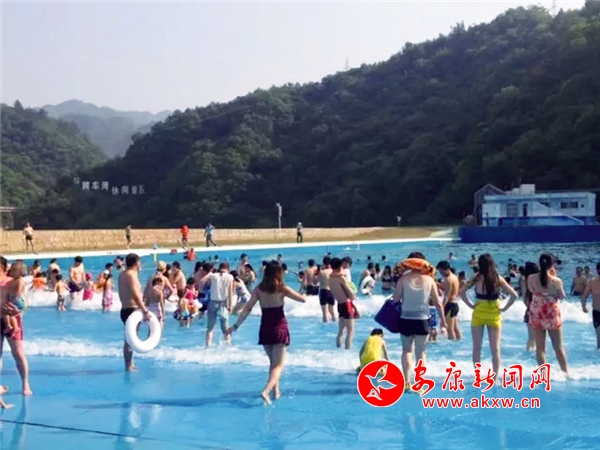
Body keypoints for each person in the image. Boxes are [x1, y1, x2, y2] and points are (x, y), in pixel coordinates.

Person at [226, 261, 306, 405]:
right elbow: (303, 300)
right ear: (279, 273)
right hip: (280, 328)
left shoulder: (258, 289)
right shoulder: (283, 289)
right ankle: (266, 391)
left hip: (265, 328)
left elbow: (247, 308)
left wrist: (235, 326)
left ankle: (276, 391)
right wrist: (303, 286)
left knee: (273, 363)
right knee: (278, 366)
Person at [459, 254, 518, 380]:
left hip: (478, 313)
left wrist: (470, 305)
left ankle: (478, 377)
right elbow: (514, 295)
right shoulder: (497, 278)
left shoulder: (476, 277)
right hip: (494, 314)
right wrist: (504, 308)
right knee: (495, 349)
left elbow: (461, 292)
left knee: (477, 348)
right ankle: (495, 378)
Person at [393, 252, 446, 392]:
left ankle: (406, 382)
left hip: (405, 319)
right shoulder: (430, 280)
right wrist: (443, 321)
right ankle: (419, 383)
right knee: (421, 352)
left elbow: (395, 299)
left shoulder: (403, 279)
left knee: (406, 350)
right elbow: (438, 303)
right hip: (423, 320)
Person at [527, 253, 568, 374]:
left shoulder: (531, 278)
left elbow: (531, 289)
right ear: (551, 265)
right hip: (551, 314)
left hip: (537, 313)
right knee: (558, 347)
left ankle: (544, 374)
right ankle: (566, 373)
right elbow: (562, 296)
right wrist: (554, 277)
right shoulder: (556, 281)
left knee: (540, 348)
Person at [0, 256, 33, 396]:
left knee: (18, 353)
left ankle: (25, 383)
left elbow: (24, 302)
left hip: (13, 319)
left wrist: (17, 310)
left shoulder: (12, 282)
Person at [118, 254, 151, 372]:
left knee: (129, 338)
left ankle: (130, 364)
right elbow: (136, 296)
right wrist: (145, 310)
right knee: (129, 340)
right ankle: (128, 366)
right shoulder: (131, 275)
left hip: (125, 309)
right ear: (136, 262)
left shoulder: (123, 274)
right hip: (132, 309)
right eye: (139, 262)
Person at [329, 257, 358, 349]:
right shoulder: (341, 278)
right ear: (339, 266)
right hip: (347, 305)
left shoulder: (330, 278)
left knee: (341, 331)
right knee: (350, 331)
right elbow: (351, 294)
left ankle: (338, 349)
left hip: (339, 304)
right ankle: (347, 352)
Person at [206, 262, 234, 347]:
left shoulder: (212, 276)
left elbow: (207, 285)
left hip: (213, 302)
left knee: (210, 328)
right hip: (223, 303)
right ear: (227, 269)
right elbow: (230, 293)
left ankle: (208, 346)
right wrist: (230, 306)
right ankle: (228, 345)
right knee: (225, 329)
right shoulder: (230, 277)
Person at [436, 261, 462, 340]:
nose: (441, 273)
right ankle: (459, 343)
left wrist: (442, 307)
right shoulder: (454, 277)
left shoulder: (448, 280)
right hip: (455, 304)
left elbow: (446, 296)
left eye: (441, 271)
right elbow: (448, 290)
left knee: (449, 330)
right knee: (455, 328)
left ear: (446, 269)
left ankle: (452, 346)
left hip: (450, 305)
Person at [2, 261, 27, 339]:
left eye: (13, 270)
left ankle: (11, 326)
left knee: (7, 312)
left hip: (18, 300)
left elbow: (18, 293)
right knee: (7, 313)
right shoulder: (14, 280)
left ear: (20, 272)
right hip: (14, 298)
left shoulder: (20, 281)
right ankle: (12, 326)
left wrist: (13, 301)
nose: (11, 271)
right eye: (11, 269)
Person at [581, 262, 600, 349]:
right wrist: (583, 305)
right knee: (599, 338)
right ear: (597, 270)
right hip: (596, 312)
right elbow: (584, 295)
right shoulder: (592, 282)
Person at [318, 256, 336, 323]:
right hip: (332, 292)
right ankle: (335, 322)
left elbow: (314, 282)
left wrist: (318, 272)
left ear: (323, 263)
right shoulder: (333, 271)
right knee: (332, 312)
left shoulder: (322, 272)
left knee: (325, 313)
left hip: (324, 291)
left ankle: (325, 327)